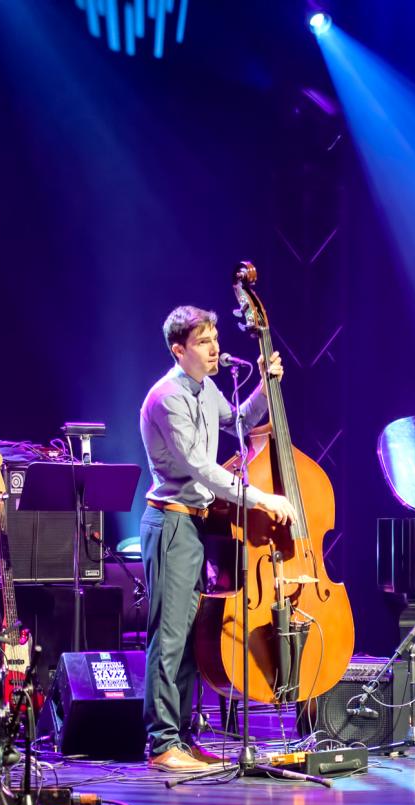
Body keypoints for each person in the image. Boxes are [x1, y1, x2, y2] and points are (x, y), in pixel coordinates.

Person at [138, 305, 298, 770]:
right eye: (204, 341)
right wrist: (259, 498)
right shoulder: (166, 397)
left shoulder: (206, 388)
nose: (215, 348)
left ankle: (184, 739)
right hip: (170, 522)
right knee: (168, 637)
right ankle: (162, 743)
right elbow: (201, 468)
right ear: (178, 349)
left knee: (189, 636)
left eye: (215, 338)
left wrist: (267, 386)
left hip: (196, 524)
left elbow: (241, 423)